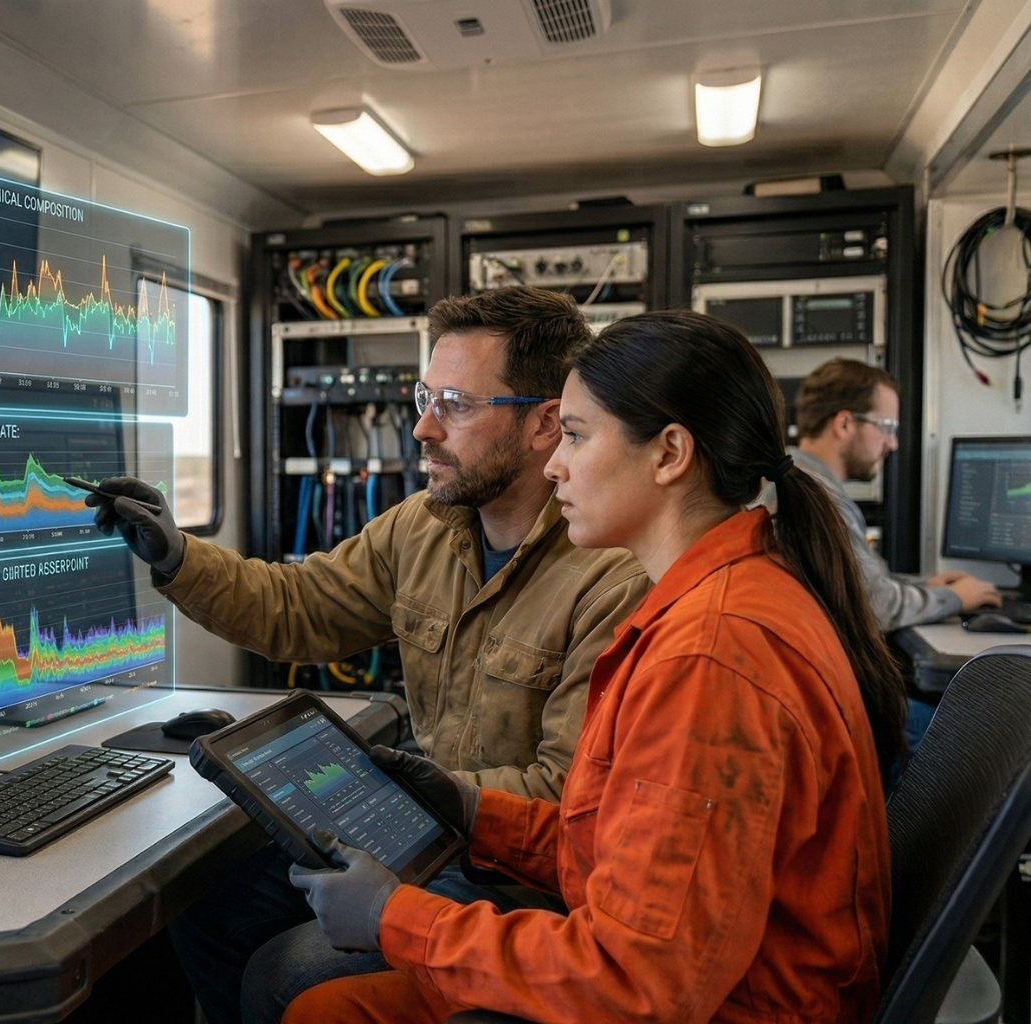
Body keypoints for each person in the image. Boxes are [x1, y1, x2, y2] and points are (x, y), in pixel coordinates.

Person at [278, 310, 898, 1024]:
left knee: (317, 1009)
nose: (552, 464)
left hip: (735, 1007)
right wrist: (473, 811)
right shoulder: (720, 596)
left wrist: (394, 915)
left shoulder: (712, 655)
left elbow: (640, 981)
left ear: (669, 455)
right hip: (719, 983)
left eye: (573, 435)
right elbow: (625, 846)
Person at [87, 286, 647, 1024]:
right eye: (425, 396)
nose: (421, 427)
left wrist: (396, 793)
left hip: (515, 874)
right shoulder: (426, 525)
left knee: (291, 974)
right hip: (414, 827)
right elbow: (299, 607)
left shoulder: (611, 573)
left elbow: (566, 797)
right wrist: (179, 554)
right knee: (208, 904)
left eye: (457, 403)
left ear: (547, 421)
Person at [790, 357, 999, 627]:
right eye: (887, 427)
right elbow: (876, 605)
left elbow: (857, 583)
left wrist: (924, 585)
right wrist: (954, 598)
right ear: (844, 424)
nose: (893, 443)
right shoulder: (816, 499)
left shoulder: (798, 481)